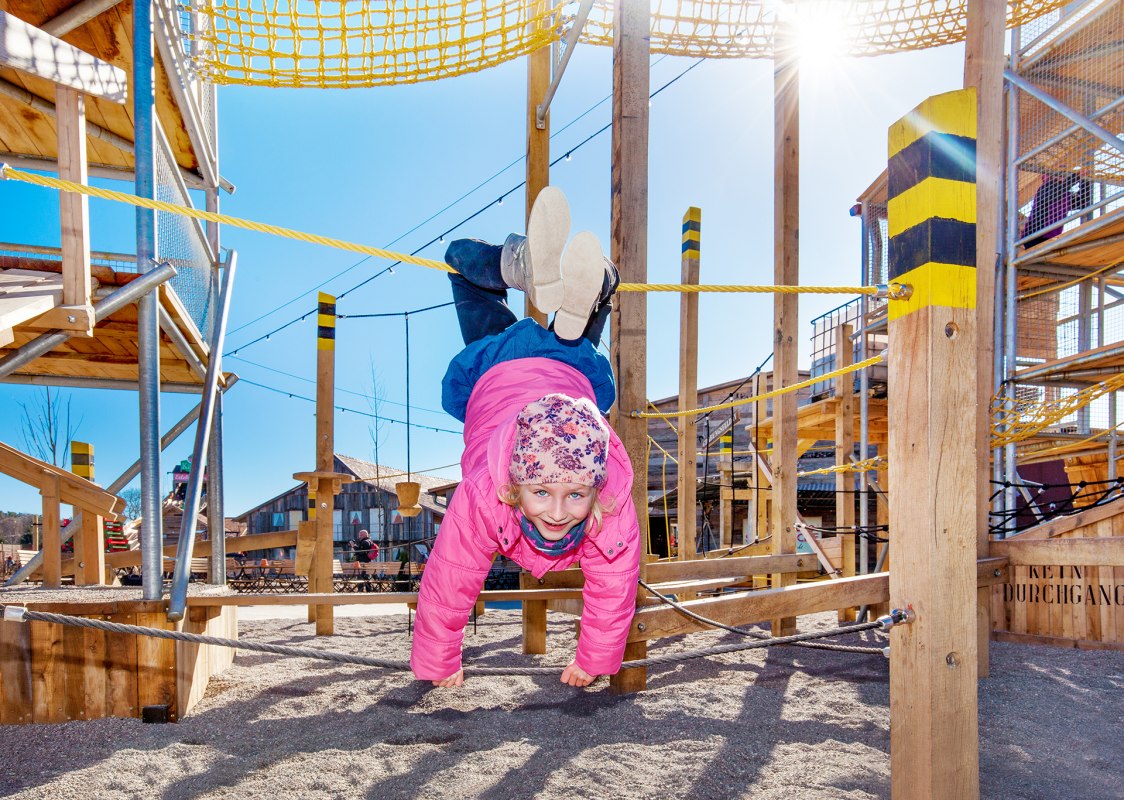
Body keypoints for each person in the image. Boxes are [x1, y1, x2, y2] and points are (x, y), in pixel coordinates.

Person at [410, 186, 640, 689]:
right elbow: (450, 577)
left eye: (574, 495)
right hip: (513, 375)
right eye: (542, 493)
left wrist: (439, 661)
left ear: (594, 488)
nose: (557, 512)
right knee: (459, 262)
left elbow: (453, 578)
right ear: (514, 485)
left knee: (601, 292)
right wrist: (593, 660)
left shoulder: (599, 498)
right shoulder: (500, 494)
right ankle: (536, 275)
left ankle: (577, 285)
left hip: (558, 373)